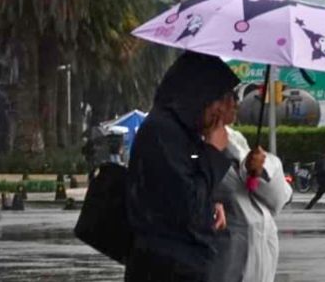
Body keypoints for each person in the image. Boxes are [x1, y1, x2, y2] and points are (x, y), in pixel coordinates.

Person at [125, 51, 240, 281]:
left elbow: (190, 187)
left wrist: (211, 203)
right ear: (200, 96)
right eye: (220, 101)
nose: (221, 112)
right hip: (167, 267)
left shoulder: (183, 132)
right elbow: (187, 206)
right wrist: (213, 153)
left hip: (181, 264)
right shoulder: (164, 133)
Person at [208, 127, 291, 282]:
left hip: (258, 264)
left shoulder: (233, 138)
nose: (231, 107)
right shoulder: (181, 140)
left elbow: (278, 199)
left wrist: (260, 170)